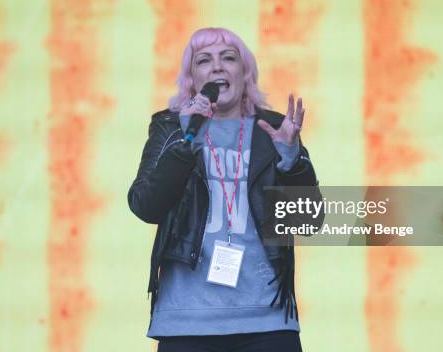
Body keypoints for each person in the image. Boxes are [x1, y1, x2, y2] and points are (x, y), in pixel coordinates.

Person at [128, 27, 320, 352]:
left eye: (228, 58)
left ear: (245, 74)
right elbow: (146, 205)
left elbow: (307, 223)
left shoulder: (273, 130)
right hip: (185, 322)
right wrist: (185, 140)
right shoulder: (171, 127)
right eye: (204, 60)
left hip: (268, 321)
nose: (217, 67)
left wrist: (292, 162)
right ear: (192, 79)